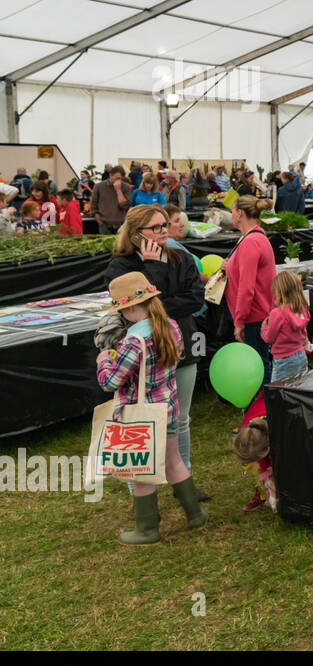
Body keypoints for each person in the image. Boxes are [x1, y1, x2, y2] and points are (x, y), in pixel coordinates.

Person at [96, 271, 207, 544]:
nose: (122, 315)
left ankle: (147, 529)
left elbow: (110, 381)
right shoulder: (170, 326)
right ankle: (195, 515)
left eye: (122, 310)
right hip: (166, 409)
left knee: (141, 472)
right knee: (174, 462)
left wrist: (102, 360)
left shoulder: (134, 341)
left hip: (140, 417)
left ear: (133, 307)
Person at [107, 204, 209, 498]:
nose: (164, 231)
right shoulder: (121, 267)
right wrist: (153, 268)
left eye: (165, 225)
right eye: (156, 227)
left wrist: (154, 307)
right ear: (137, 233)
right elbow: (130, 306)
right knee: (137, 420)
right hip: (140, 358)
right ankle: (138, 489)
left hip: (181, 350)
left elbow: (194, 299)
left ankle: (183, 483)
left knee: (180, 419)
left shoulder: (182, 258)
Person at [223, 196, 276, 386]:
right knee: (261, 361)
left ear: (239, 213)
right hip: (258, 313)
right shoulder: (252, 237)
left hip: (253, 316)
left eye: (232, 211)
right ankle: (263, 406)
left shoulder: (250, 242)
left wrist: (239, 321)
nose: (231, 215)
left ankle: (263, 409)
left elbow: (247, 289)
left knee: (259, 364)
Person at [262, 271, 311, 382]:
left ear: (281, 292)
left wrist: (264, 327)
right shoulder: (301, 308)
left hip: (283, 360)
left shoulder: (277, 313)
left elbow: (269, 338)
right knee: (300, 386)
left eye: (275, 292)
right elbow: (304, 332)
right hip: (301, 355)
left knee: (278, 391)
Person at [90, 166, 131, 234]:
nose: (119, 181)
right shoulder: (98, 186)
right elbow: (93, 207)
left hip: (121, 226)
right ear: (110, 175)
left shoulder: (126, 187)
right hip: (104, 225)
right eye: (117, 178)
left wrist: (118, 190)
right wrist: (100, 223)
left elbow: (125, 206)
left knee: (120, 245)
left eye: (121, 179)